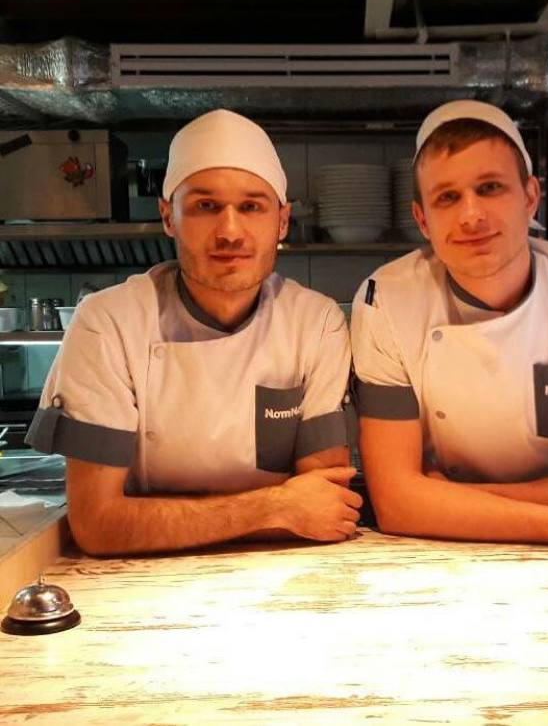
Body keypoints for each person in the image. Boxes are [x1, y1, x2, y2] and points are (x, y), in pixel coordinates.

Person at [26, 109, 362, 556]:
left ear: (282, 221)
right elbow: (98, 525)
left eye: (251, 207)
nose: (230, 232)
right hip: (140, 580)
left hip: (285, 571)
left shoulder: (315, 323)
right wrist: (275, 507)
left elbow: (326, 508)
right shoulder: (108, 323)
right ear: (168, 216)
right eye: (206, 206)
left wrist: (159, 520)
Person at [351, 99, 548, 547]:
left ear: (531, 197)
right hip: (449, 551)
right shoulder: (386, 301)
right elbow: (397, 503)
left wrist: (446, 501)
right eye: (447, 197)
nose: (471, 216)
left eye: (490, 188)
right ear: (422, 219)